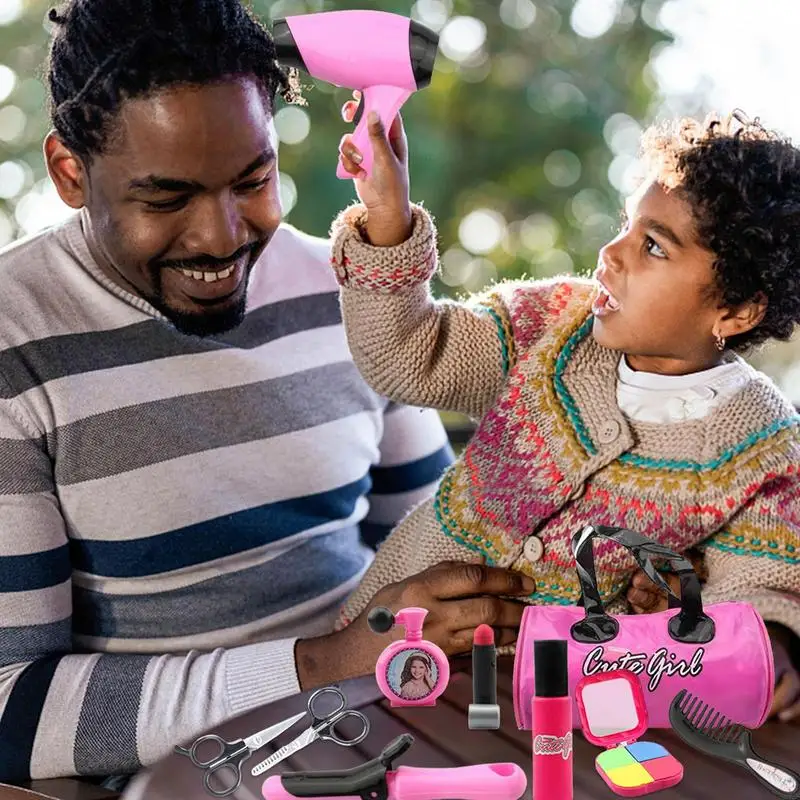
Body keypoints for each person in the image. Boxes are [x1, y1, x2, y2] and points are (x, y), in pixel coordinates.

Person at [0, 0, 536, 784]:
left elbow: (441, 539)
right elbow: (12, 707)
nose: (222, 238)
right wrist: (327, 662)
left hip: (405, 727)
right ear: (70, 172)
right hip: (199, 775)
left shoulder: (348, 292)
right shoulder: (15, 343)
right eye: (167, 198)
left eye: (252, 180)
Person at [331, 101, 800, 722]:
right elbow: (408, 354)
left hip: (542, 717)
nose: (612, 252)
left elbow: (758, 586)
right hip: (381, 659)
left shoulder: (760, 450)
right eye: (627, 226)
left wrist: (762, 641)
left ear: (737, 311)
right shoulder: (549, 325)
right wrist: (388, 222)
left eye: (654, 246)